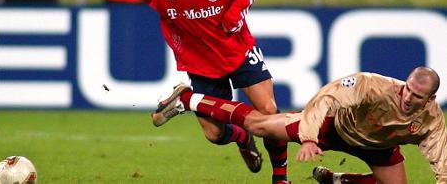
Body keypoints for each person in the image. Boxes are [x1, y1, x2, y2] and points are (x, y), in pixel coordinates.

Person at [79, 0, 289, 184]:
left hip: (238, 51)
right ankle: (242, 136)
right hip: (200, 63)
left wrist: (235, 13)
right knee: (214, 134)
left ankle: (280, 179)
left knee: (269, 112)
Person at [152, 66, 447, 184]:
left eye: (417, 95)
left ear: (431, 98)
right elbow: (326, 98)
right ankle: (188, 99)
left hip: (379, 147)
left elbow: (442, 162)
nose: (408, 97)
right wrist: (308, 137)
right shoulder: (372, 85)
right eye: (407, 89)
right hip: (332, 128)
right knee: (260, 125)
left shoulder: (433, 121)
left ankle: (337, 180)